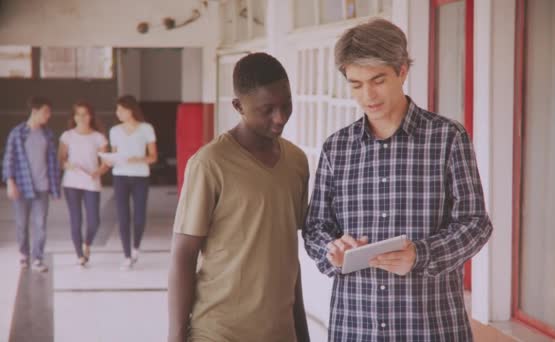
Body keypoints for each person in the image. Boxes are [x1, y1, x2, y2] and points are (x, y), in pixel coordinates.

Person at [302, 18, 493, 341]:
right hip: (355, 327)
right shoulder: (337, 148)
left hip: (431, 328)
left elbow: (476, 223)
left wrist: (420, 255)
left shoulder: (447, 138)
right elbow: (315, 227)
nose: (368, 95)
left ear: (402, 71)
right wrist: (331, 249)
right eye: (356, 84)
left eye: (378, 80)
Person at [168, 52, 310, 342]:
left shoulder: (296, 161)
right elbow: (183, 254)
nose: (280, 117)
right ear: (238, 106)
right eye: (267, 109)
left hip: (279, 333)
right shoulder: (210, 164)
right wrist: (176, 337)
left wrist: (301, 331)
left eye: (286, 105)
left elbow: (286, 255)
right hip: (219, 332)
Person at [2, 96, 61, 272]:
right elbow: (8, 159)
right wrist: (10, 182)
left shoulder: (48, 134)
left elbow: (52, 162)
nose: (48, 116)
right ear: (35, 112)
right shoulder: (17, 133)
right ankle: (24, 254)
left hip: (42, 187)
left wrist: (55, 187)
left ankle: (37, 258)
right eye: (46, 112)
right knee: (21, 224)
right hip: (22, 187)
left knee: (40, 224)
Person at [103, 95, 157, 270]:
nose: (117, 113)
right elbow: (115, 155)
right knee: (123, 216)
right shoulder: (114, 131)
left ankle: (136, 247)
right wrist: (109, 160)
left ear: (130, 110)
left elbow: (153, 157)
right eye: (117, 110)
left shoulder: (146, 128)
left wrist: (138, 159)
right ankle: (126, 255)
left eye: (121, 110)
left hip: (140, 176)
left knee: (140, 216)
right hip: (120, 176)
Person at [58, 101, 109, 267]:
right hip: (71, 182)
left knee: (94, 220)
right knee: (76, 219)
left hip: (92, 182)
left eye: (85, 114)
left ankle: (87, 243)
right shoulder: (67, 136)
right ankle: (80, 255)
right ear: (74, 117)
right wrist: (68, 165)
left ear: (91, 116)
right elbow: (61, 159)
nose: (81, 117)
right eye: (78, 114)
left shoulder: (99, 137)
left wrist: (98, 171)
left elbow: (106, 162)